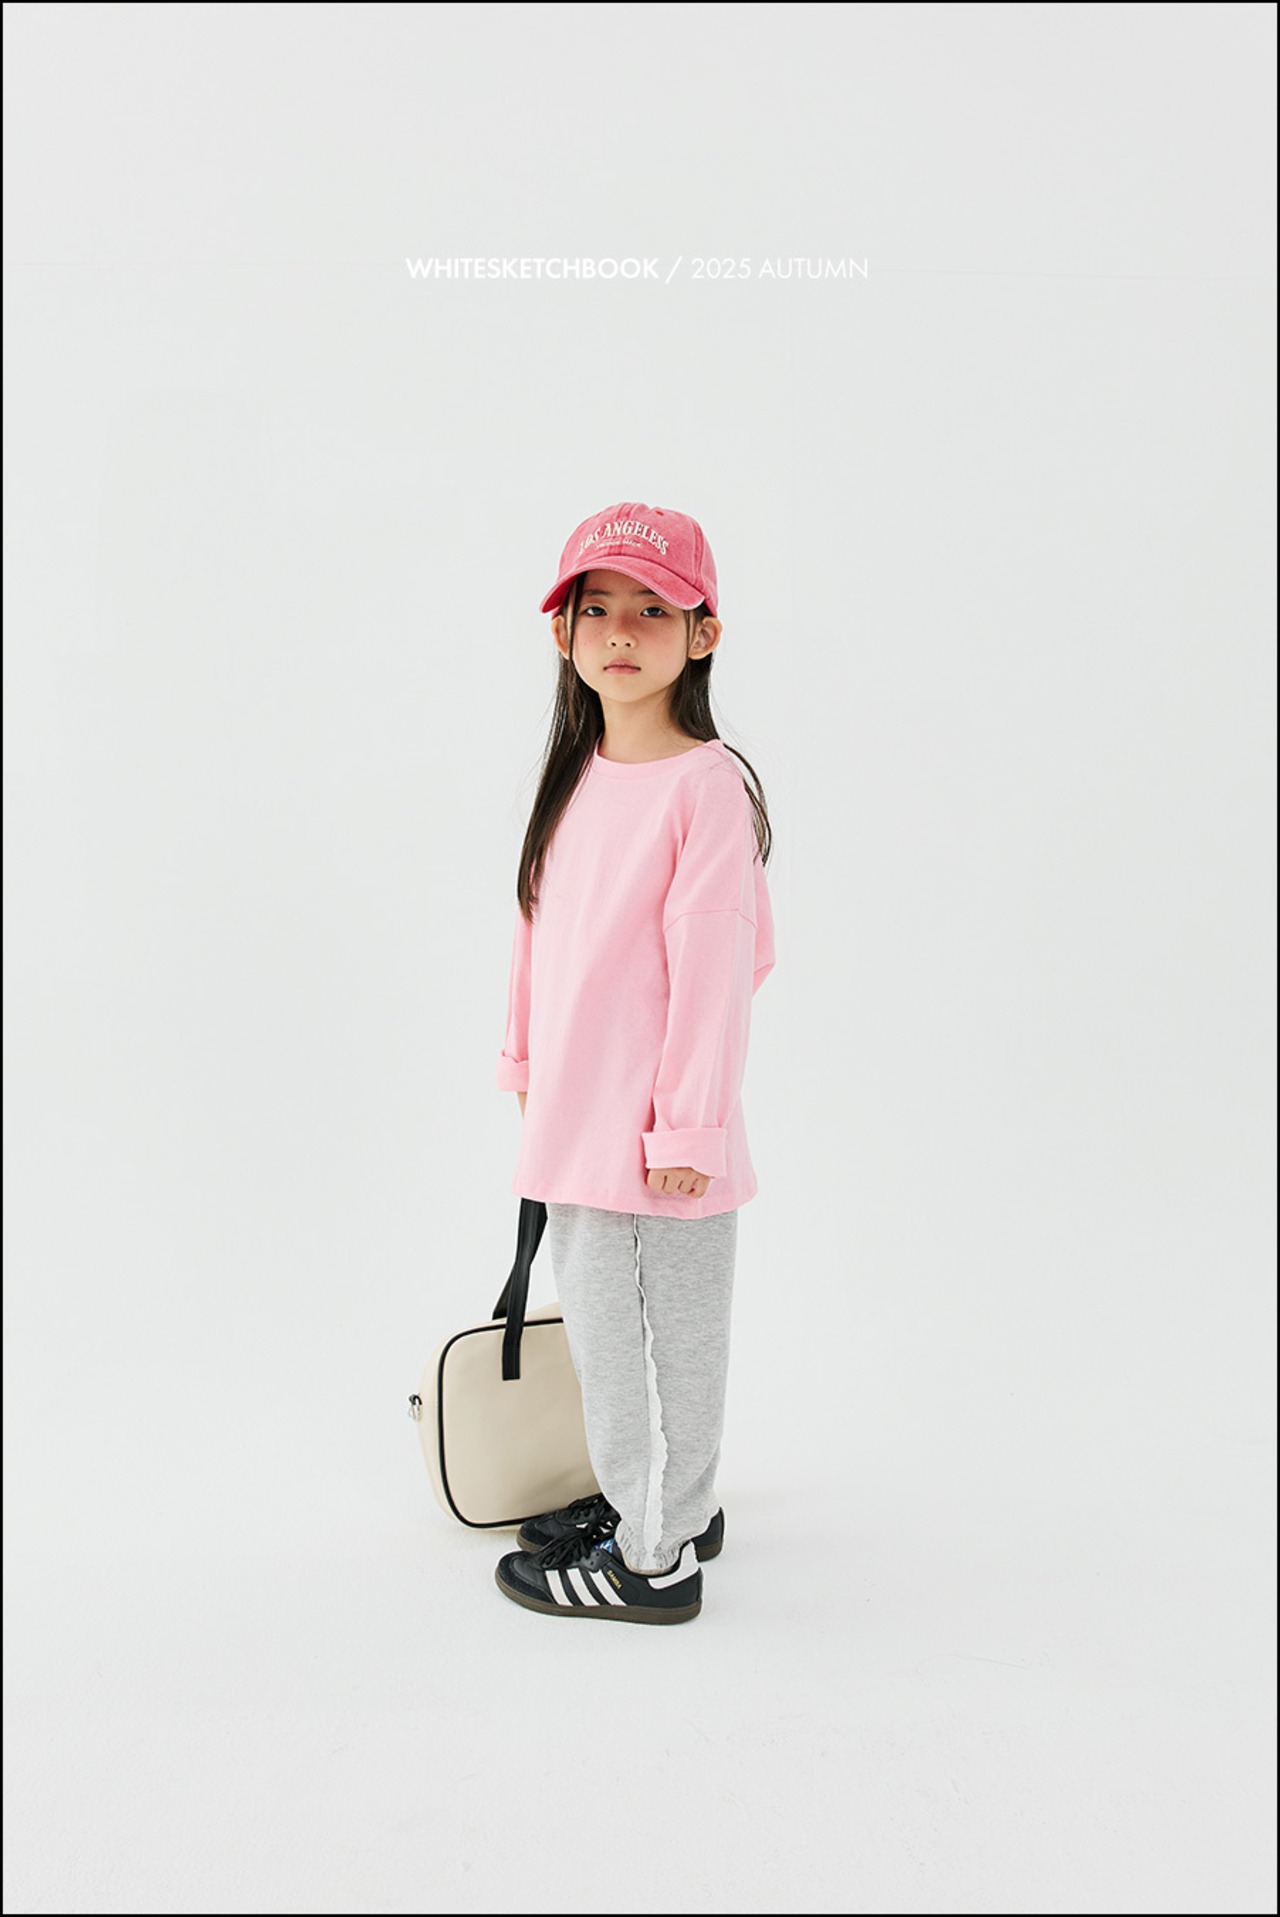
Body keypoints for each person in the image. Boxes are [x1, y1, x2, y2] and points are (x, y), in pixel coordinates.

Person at [492, 500, 775, 1626]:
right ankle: (657, 1505)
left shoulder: (705, 787)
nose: (619, 630)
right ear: (562, 632)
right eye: (596, 607)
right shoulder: (576, 773)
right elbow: (538, 931)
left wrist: (686, 1126)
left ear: (703, 633)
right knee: (609, 1346)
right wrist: (524, 1064)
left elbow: (719, 967)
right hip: (577, 1128)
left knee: (658, 1355)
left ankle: (653, 1557)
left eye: (652, 609)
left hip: (659, 1149)